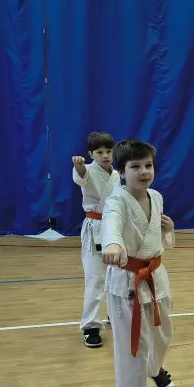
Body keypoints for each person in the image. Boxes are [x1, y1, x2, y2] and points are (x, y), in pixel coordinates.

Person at [101, 139, 175, 387]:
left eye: (148, 165)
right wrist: (113, 244)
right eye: (135, 166)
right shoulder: (116, 202)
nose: (144, 171)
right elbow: (112, 225)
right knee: (133, 345)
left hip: (156, 276)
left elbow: (155, 235)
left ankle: (154, 369)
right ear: (121, 172)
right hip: (127, 281)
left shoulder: (156, 197)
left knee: (162, 333)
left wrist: (168, 230)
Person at [72, 131, 119, 347]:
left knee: (117, 275)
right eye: (99, 152)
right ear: (91, 154)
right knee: (95, 278)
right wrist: (79, 166)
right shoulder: (88, 169)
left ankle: (115, 315)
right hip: (95, 227)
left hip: (115, 227)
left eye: (108, 151)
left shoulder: (116, 174)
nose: (105, 155)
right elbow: (81, 177)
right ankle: (90, 325)